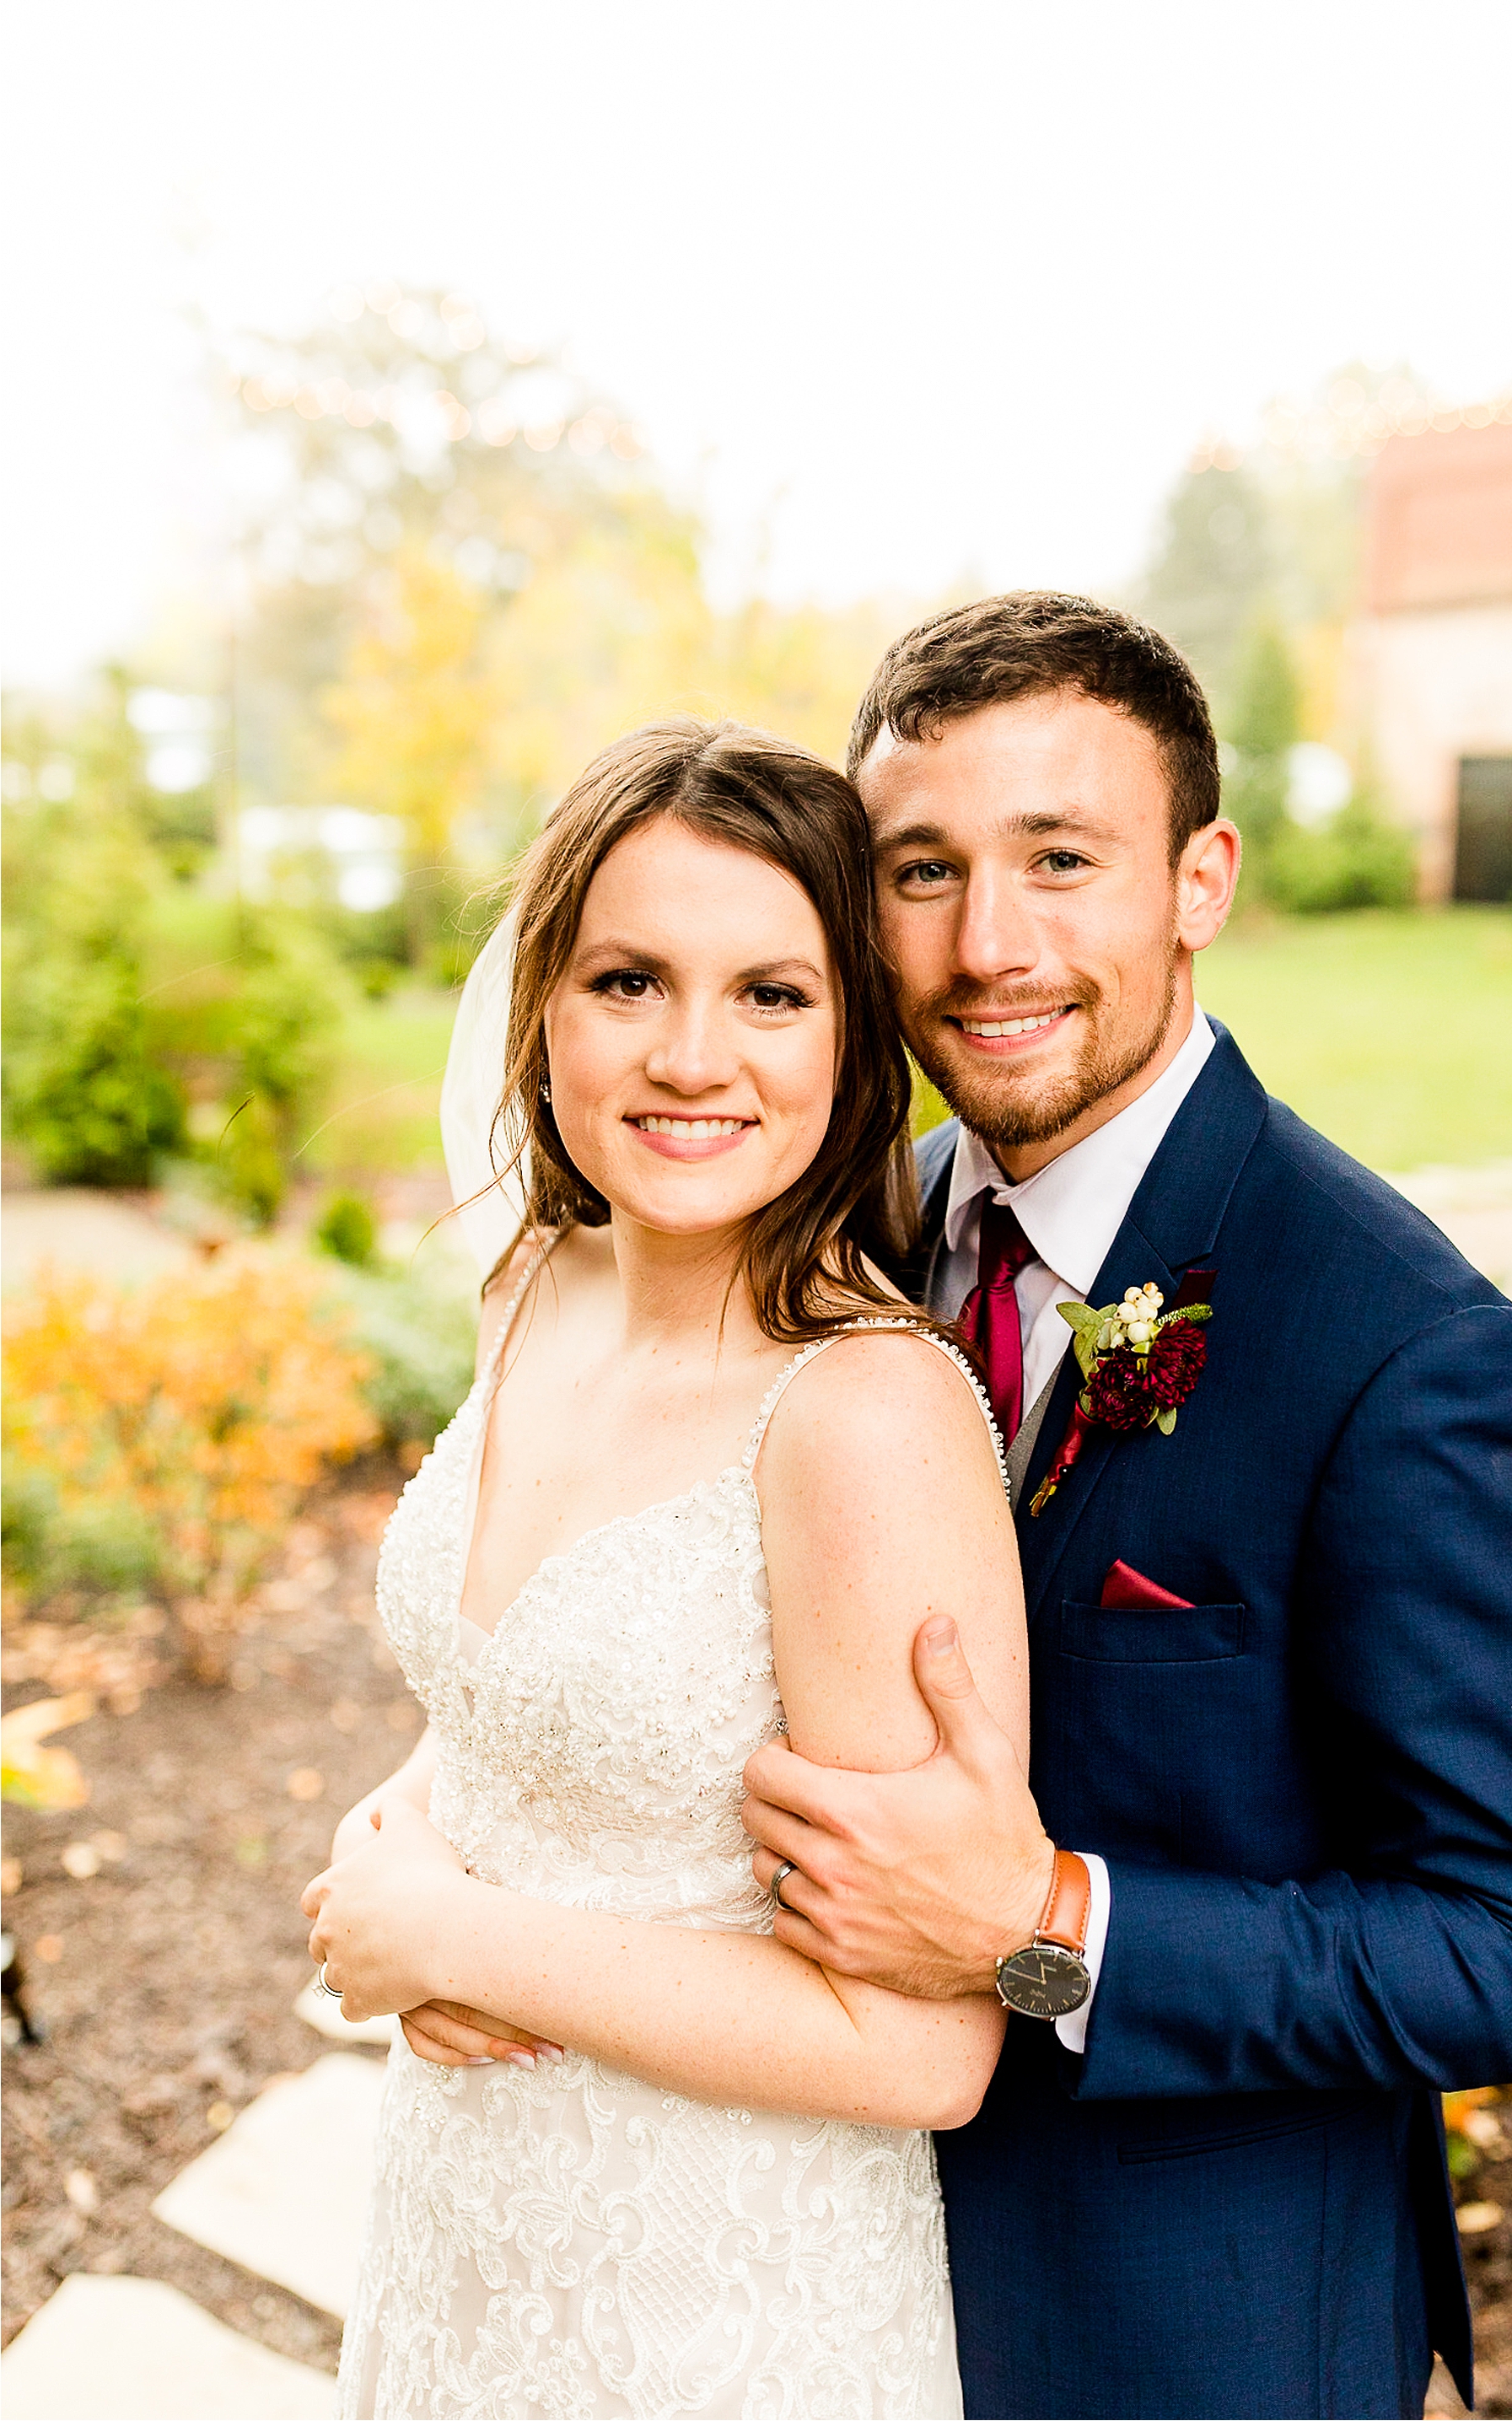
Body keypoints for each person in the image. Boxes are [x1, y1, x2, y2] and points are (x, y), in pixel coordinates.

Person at [739, 592, 1512, 2421]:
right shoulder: (849, 1230)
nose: (989, 944)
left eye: (1061, 858)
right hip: (806, 2264)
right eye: (923, 869)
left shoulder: (1404, 1349)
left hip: (1175, 2334)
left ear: (1198, 879)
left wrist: (1049, 1916)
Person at [303, 720, 1028, 2420]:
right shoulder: (532, 1281)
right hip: (462, 2236)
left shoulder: (859, 1413)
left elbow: (920, 2046)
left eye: (770, 993)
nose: (691, 1054)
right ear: (539, 999)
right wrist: (389, 1829)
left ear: (854, 1038)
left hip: (725, 2308)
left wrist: (457, 1935)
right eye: (628, 979)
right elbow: (515, 1699)